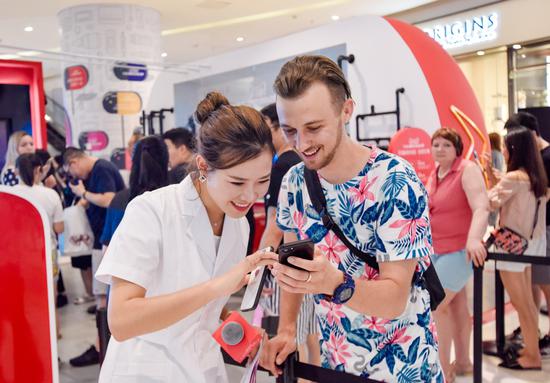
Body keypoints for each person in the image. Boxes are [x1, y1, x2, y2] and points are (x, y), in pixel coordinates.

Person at [260, 55, 443, 381]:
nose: (302, 144)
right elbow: (293, 269)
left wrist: (334, 283)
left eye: (314, 128)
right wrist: (287, 329)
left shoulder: (394, 180)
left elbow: (395, 299)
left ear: (346, 111)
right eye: (290, 131)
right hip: (337, 362)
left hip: (404, 365)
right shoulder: (293, 183)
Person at [95, 92, 278, 382]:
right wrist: (217, 287)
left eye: (262, 181)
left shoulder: (238, 223)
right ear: (204, 166)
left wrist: (243, 334)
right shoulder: (152, 211)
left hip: (203, 368)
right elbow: (121, 320)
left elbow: (204, 311)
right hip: (144, 370)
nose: (249, 195)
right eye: (237, 181)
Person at [257, 103, 320, 376]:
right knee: (309, 332)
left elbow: (275, 226)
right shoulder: (298, 165)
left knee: (297, 334)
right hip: (307, 257)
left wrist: (259, 265)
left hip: (289, 261)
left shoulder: (284, 165)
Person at [426, 128, 489, 382]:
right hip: (437, 250)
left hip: (460, 251)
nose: (440, 149)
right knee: (457, 306)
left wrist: (474, 238)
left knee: (437, 306)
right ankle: (463, 362)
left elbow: (481, 206)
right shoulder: (435, 173)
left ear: (457, 149)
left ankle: (444, 369)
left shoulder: (467, 169)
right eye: (436, 144)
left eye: (446, 145)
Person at [488, 126, 548, 370]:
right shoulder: (535, 176)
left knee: (521, 302)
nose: (503, 150)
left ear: (514, 149)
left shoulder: (515, 178)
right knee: (527, 302)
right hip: (530, 243)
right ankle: (531, 348)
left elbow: (489, 201)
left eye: (506, 146)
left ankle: (532, 356)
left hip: (510, 246)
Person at [63, 147, 125, 366]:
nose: (77, 178)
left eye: (73, 172)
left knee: (103, 295)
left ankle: (103, 348)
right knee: (102, 295)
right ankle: (103, 346)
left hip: (106, 241)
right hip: (103, 239)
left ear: (74, 162)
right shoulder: (99, 170)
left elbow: (108, 199)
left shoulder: (102, 169)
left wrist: (84, 194)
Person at [503, 112, 550, 358]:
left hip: (541, 231)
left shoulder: (545, 157)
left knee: (545, 284)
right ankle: (531, 336)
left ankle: (540, 342)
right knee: (532, 285)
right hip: (532, 233)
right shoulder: (533, 163)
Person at [13, 153, 64, 337]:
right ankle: (53, 336)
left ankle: (28, 336)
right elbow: (59, 228)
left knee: (24, 300)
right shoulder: (50, 195)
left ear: (16, 171)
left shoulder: (11, 195)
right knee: (51, 298)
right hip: (46, 253)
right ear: (39, 170)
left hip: (19, 256)